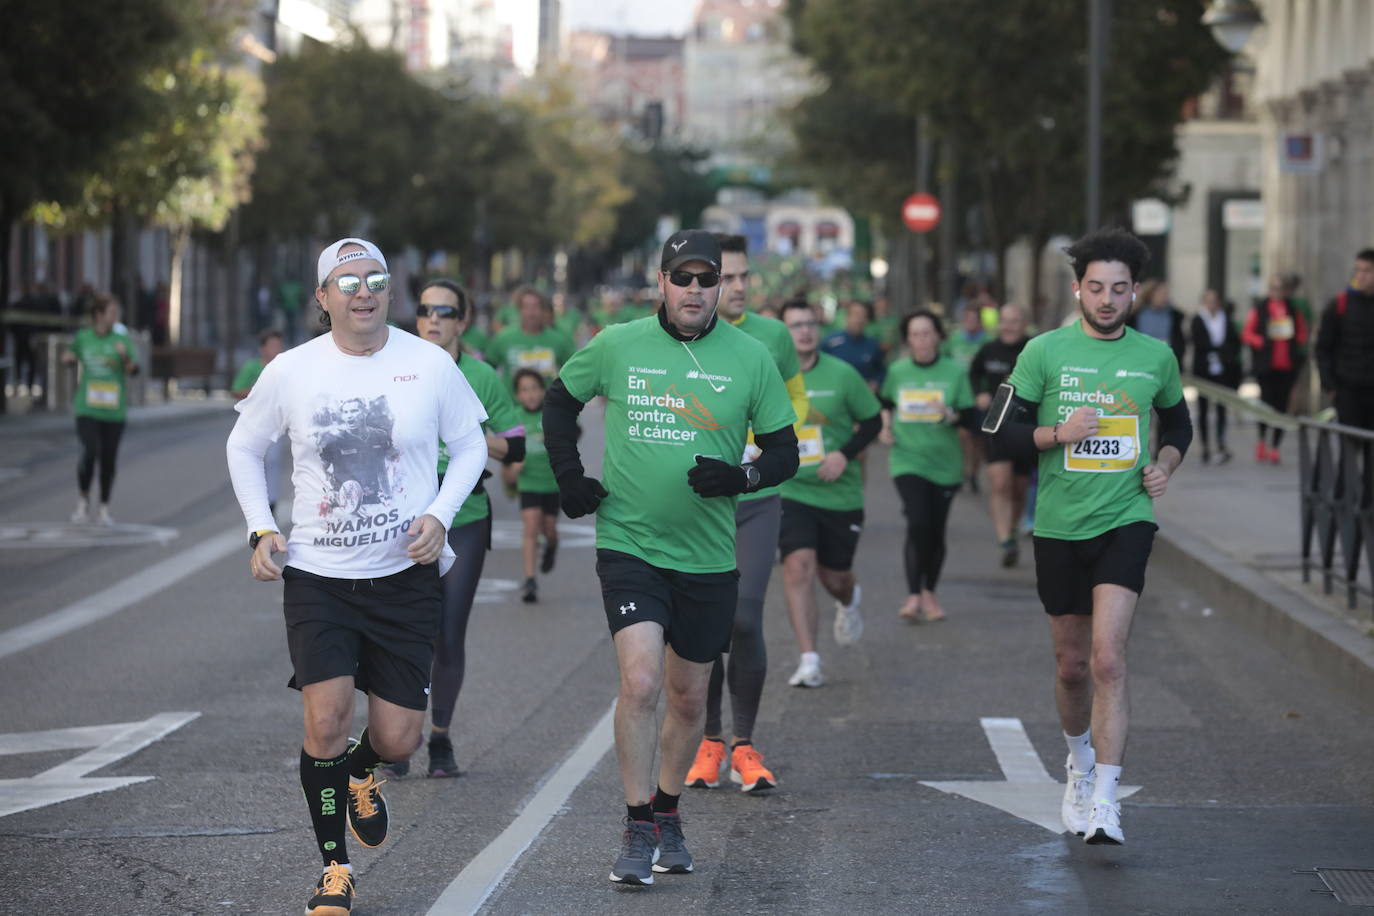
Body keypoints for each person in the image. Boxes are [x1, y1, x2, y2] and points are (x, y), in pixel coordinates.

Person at [225, 239, 489, 915]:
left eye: (375, 280)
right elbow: (245, 444)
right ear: (323, 298)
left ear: (388, 292)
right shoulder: (292, 371)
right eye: (347, 283)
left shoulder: (427, 364)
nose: (363, 292)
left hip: (404, 576)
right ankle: (334, 869)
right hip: (319, 577)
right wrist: (261, 527)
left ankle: (365, 769)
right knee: (324, 719)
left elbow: (470, 446)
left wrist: (439, 512)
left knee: (400, 737)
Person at [542, 229, 798, 886]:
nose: (693, 290)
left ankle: (667, 809)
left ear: (721, 287)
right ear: (660, 282)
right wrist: (570, 476)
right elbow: (559, 400)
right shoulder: (619, 344)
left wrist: (739, 479)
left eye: (705, 280)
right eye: (681, 278)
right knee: (642, 683)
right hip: (630, 543)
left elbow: (783, 453)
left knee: (688, 698)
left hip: (709, 555)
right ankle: (634, 827)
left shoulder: (750, 357)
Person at [994, 227, 1192, 846]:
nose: (1107, 299)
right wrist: (1059, 432)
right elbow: (997, 431)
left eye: (1120, 289)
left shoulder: (1156, 356)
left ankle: (1105, 798)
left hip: (1127, 518)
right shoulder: (1043, 352)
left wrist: (1163, 465)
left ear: (1136, 293)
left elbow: (1179, 424)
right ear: (1078, 288)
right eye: (1096, 288)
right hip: (1058, 526)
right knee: (1073, 665)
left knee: (1109, 658)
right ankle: (1078, 764)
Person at [378, 278, 525, 781]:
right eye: (424, 310)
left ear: (462, 321)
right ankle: (397, 736)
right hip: (401, 520)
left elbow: (518, 444)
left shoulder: (481, 376)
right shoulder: (394, 368)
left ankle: (440, 739)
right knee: (399, 632)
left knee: (445, 632)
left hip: (463, 518)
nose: (433, 319)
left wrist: (474, 439)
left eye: (445, 311)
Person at [686, 233, 809, 797]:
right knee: (705, 625)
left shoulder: (773, 337)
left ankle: (745, 744)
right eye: (722, 278)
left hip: (754, 501)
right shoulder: (683, 334)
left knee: (746, 615)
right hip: (698, 503)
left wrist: (761, 449)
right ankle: (710, 741)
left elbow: (797, 405)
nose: (733, 288)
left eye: (739, 278)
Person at [777, 299, 883, 688]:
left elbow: (872, 422)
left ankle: (848, 599)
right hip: (792, 490)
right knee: (798, 565)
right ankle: (809, 659)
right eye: (794, 325)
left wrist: (844, 453)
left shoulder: (843, 375)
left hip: (839, 494)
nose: (804, 331)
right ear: (782, 333)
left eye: (809, 324)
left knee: (834, 576)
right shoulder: (772, 376)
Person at [879, 310, 976, 623]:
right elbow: (886, 404)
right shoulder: (897, 371)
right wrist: (885, 427)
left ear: (938, 336)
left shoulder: (955, 372)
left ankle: (930, 592)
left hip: (945, 463)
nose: (921, 339)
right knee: (918, 521)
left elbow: (970, 414)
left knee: (935, 530)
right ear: (907, 339)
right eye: (915, 334)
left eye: (926, 333)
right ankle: (913, 594)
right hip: (907, 459)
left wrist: (951, 415)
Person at [64, 294, 139, 525]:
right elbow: (70, 354)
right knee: (88, 452)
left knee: (108, 459)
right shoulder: (84, 337)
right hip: (87, 408)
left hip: (114, 411)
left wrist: (124, 356)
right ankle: (83, 501)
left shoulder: (121, 339)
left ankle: (104, 507)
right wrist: (67, 357)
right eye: (112, 313)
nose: (115, 318)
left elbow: (134, 370)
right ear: (99, 315)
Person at [970, 303, 1033, 566]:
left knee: (1019, 488)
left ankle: (1013, 527)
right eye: (1005, 320)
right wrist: (980, 393)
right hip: (996, 417)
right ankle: (1005, 539)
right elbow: (974, 374)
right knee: (999, 483)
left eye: (1014, 320)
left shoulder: (1034, 349)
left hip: (1027, 420)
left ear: (1024, 323)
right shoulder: (988, 349)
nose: (1008, 325)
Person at [1242, 275, 1307, 464]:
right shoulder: (1260, 309)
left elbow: (1302, 334)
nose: (1277, 293)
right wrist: (1260, 341)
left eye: (1281, 289)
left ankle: (1275, 446)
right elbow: (1247, 333)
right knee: (1266, 404)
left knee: (1282, 407)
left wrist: (1294, 340)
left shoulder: (1294, 311)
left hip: (1287, 367)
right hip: (1266, 366)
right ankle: (1262, 440)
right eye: (1274, 288)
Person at [512, 368, 560, 603]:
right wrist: (513, 470)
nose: (530, 395)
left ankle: (552, 544)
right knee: (531, 527)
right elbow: (507, 465)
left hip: (552, 484)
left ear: (542, 391)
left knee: (548, 529)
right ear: (518, 395)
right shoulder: (515, 418)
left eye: (534, 389)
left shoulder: (551, 415)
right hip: (528, 483)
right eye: (524, 390)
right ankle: (530, 580)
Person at [1315, 249, 1374, 430]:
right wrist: (1329, 384)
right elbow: (1323, 346)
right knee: (1349, 446)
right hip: (1347, 390)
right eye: (1358, 270)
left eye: (1367, 271)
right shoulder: (1340, 304)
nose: (1361, 276)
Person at [233, 329, 287, 512]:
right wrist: (259, 393)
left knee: (273, 461)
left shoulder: (285, 366)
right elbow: (237, 390)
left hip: (277, 423)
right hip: (255, 424)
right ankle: (256, 504)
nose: (276, 349)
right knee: (255, 461)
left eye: (279, 345)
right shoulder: (252, 367)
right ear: (262, 348)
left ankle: (271, 503)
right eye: (272, 345)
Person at [1188, 289, 1242, 464]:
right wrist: (1218, 349)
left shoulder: (1225, 319)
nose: (1211, 304)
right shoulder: (1197, 320)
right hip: (1204, 370)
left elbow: (1234, 342)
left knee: (1221, 408)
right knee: (1203, 409)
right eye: (1208, 301)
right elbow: (1199, 343)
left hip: (1222, 370)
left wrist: (1225, 354)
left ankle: (1221, 443)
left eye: (1214, 301)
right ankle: (1205, 446)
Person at [945, 305, 990, 492]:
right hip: (958, 394)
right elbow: (945, 360)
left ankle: (974, 472)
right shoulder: (954, 340)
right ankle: (964, 470)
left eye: (974, 319)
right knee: (962, 435)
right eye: (967, 319)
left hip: (978, 395)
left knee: (978, 439)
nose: (970, 323)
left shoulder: (987, 341)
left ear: (979, 322)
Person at [487, 286, 576, 381]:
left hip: (546, 395)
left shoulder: (559, 340)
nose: (531, 313)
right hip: (510, 396)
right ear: (519, 310)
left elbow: (573, 373)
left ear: (543, 310)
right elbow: (487, 371)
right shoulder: (503, 338)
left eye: (535, 307)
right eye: (526, 307)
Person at [821, 300, 885, 391]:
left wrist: (876, 382)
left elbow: (881, 370)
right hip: (836, 392)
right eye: (856, 315)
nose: (859, 320)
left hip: (862, 394)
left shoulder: (872, 344)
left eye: (863, 316)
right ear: (847, 317)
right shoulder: (831, 342)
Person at [1127, 280, 1186, 366]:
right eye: (1162, 294)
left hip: (1166, 361)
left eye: (1166, 293)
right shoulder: (1136, 315)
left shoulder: (1174, 315)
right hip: (1142, 361)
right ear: (1151, 295)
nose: (1165, 297)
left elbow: (1180, 342)